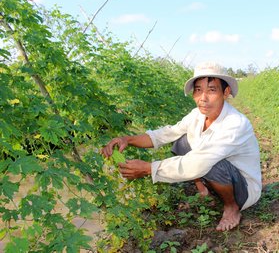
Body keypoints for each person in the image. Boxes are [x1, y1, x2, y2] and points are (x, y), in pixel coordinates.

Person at [101, 62, 262, 231]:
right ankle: (204, 191)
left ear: (226, 92)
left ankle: (231, 208)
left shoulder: (236, 124)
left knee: (209, 161)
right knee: (183, 140)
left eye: (212, 90)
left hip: (243, 188)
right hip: (220, 178)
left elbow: (199, 162)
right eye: (198, 90)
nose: (203, 98)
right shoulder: (197, 115)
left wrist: (149, 168)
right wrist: (127, 139)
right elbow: (167, 133)